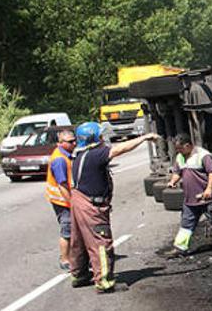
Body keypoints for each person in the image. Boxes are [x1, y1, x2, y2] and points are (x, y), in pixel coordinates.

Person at [68, 122, 159, 293]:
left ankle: (79, 275)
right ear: (94, 138)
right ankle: (104, 282)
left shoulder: (80, 153)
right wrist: (145, 137)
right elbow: (120, 149)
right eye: (100, 135)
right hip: (90, 205)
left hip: (79, 200)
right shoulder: (95, 154)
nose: (103, 139)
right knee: (100, 242)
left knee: (79, 240)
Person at [165, 133, 212, 258]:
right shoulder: (180, 157)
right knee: (186, 223)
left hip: (205, 197)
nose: (179, 151)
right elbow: (177, 172)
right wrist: (172, 181)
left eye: (180, 148)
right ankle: (180, 247)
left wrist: (209, 188)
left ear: (188, 145)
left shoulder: (203, 155)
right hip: (190, 199)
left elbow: (211, 172)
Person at [45, 129, 76, 270]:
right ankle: (65, 260)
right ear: (60, 143)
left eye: (74, 140)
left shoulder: (67, 155)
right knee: (67, 230)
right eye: (70, 141)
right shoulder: (59, 159)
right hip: (62, 201)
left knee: (71, 229)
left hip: (63, 198)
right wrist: (72, 203)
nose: (74, 143)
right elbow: (62, 184)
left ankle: (72, 256)